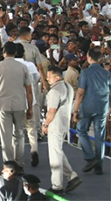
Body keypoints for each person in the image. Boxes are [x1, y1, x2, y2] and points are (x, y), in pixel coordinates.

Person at [0, 41, 33, 165]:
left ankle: (8, 163)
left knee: (5, 136)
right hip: (19, 104)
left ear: (3, 52)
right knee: (19, 134)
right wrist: (30, 108)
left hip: (3, 104)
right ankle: (19, 162)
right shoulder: (23, 67)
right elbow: (28, 89)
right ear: (16, 52)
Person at [42, 65, 81, 194]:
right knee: (58, 152)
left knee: (54, 157)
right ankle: (72, 177)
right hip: (64, 124)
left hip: (55, 125)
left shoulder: (55, 91)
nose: (47, 79)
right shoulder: (68, 87)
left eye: (49, 76)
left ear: (57, 77)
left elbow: (52, 111)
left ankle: (57, 186)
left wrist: (45, 125)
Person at [72, 47, 109, 175]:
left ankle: (90, 157)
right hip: (103, 106)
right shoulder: (107, 73)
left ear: (88, 57)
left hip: (87, 106)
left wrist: (75, 110)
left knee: (81, 130)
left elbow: (80, 93)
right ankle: (99, 165)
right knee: (100, 135)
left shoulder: (85, 72)